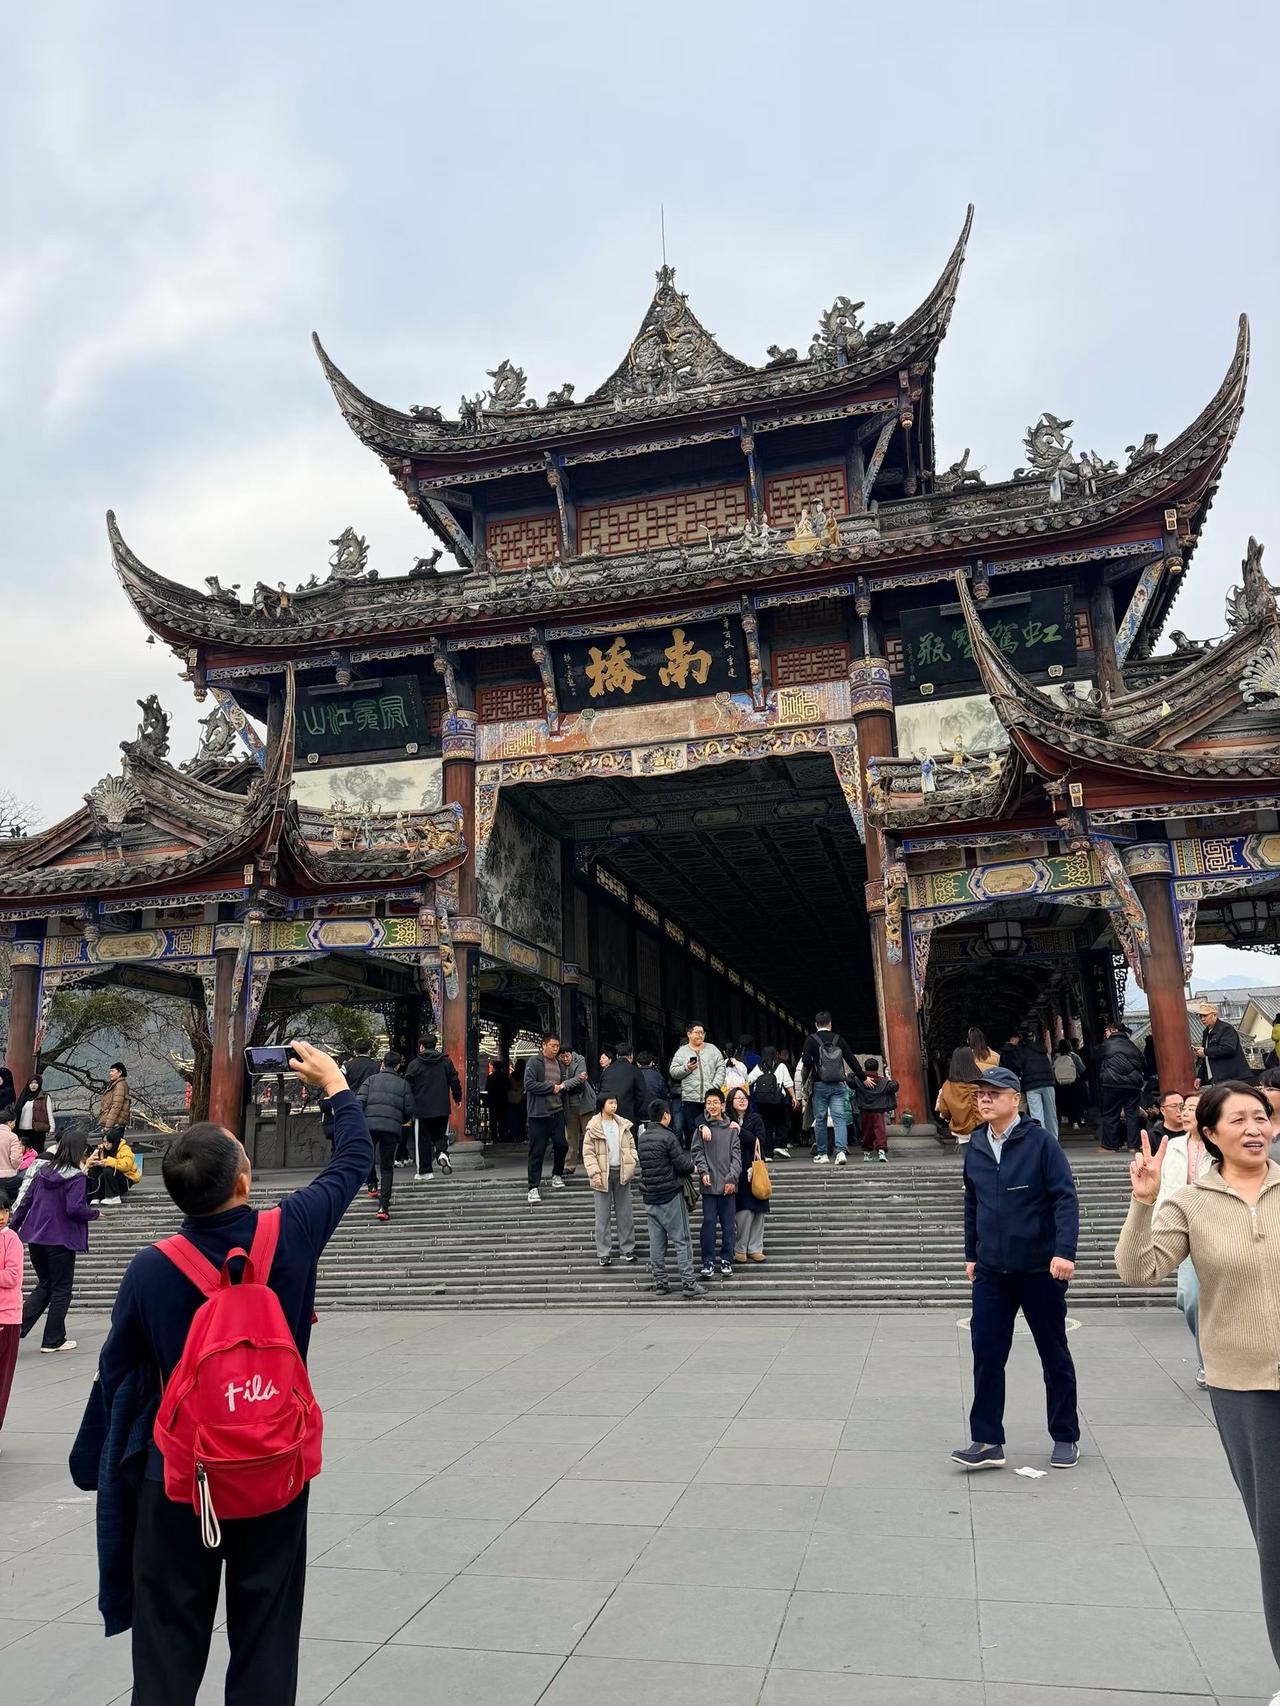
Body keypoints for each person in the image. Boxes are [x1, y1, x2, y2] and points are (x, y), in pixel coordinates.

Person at [86, 1040, 369, 1705]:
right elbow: (353, 1161)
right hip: (273, 1466)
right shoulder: (291, 1230)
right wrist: (334, 1083)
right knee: (267, 1630)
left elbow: (115, 1371)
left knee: (167, 1638)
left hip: (179, 1476)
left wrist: (95, 1458)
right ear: (243, 1182)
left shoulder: (150, 1268)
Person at [1116, 1087, 1280, 1679]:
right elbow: (1139, 1270)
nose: (1254, 1128)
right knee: (1276, 1536)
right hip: (1245, 1386)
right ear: (1209, 1134)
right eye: (1239, 1119)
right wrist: (1143, 1203)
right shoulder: (1190, 1203)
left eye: (1262, 1117)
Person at [952, 1066, 1081, 1472]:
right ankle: (987, 1440)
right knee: (986, 1353)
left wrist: (1064, 1251)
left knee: (1053, 1353)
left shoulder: (1041, 1143)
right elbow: (972, 1203)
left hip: (1039, 1267)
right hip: (991, 1270)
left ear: (1015, 1099)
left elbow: (1065, 1198)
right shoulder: (976, 1144)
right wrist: (971, 1254)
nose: (985, 1099)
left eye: (994, 1093)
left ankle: (1065, 1434)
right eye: (980, 1094)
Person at [11, 1122, 98, 1353]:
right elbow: (75, 1208)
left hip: (36, 1237)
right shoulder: (76, 1178)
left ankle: (15, 1329)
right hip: (60, 1240)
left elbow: (26, 1201)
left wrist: (13, 1228)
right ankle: (53, 1339)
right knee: (61, 1289)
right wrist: (95, 1213)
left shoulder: (43, 1172)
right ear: (79, 1151)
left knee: (45, 1285)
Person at [1149, 1088, 1211, 1388]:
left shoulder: (1220, 1147)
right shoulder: (1172, 1145)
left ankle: (1210, 1363)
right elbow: (1163, 1189)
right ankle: (1209, 1358)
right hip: (1183, 1228)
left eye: (1192, 1107)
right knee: (1188, 1297)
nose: (1185, 1112)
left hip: (1215, 1227)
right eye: (1184, 1107)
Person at [635, 1101, 704, 1298]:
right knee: (682, 1240)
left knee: (656, 1243)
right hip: (670, 1195)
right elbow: (681, 1165)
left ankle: (661, 1282)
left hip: (650, 1197)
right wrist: (694, 1167)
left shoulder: (643, 1137)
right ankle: (689, 1283)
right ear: (666, 1115)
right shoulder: (668, 1136)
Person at [355, 1051, 414, 1222]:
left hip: (369, 1126)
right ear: (398, 1066)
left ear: (382, 1063)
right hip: (391, 1129)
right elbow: (409, 1109)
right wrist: (398, 1120)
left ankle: (372, 1184)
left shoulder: (370, 1080)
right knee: (387, 1168)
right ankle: (383, 1206)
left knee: (368, 1156)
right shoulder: (403, 1084)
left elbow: (359, 1102)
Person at [582, 1093, 637, 1268]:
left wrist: (632, 1161)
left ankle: (628, 1249)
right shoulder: (593, 1126)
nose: (614, 1106)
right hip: (601, 1175)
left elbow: (631, 1146)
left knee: (625, 1213)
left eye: (615, 1103)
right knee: (602, 1216)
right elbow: (588, 1153)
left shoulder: (622, 1124)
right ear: (602, 1104)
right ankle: (604, 1252)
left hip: (621, 1172)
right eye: (610, 1103)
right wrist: (594, 1173)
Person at [692, 1089, 742, 1278]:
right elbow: (697, 1152)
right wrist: (703, 1171)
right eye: (708, 1103)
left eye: (715, 1102)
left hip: (728, 1186)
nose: (712, 1106)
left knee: (729, 1225)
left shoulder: (731, 1130)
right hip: (709, 1185)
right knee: (709, 1223)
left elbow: (737, 1158)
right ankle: (708, 1260)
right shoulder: (701, 1130)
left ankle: (727, 1259)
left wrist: (732, 1178)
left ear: (722, 1105)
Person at [799, 1011, 858, 1165]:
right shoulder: (838, 1039)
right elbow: (851, 1059)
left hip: (819, 1085)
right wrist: (863, 1077)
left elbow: (806, 1061)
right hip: (838, 1084)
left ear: (816, 1024)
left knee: (820, 1120)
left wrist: (806, 1080)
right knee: (839, 1119)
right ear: (830, 1024)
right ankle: (840, 1152)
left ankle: (823, 1153)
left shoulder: (811, 1039)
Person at [404, 1034, 461, 1181]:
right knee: (440, 1135)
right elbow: (455, 1081)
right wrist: (457, 1097)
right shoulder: (446, 1062)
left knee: (423, 1140)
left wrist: (408, 1105)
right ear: (435, 1045)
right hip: (442, 1107)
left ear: (421, 1046)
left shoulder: (414, 1064)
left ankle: (425, 1171)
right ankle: (442, 1153)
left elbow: (407, 1087)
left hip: (421, 1109)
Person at [524, 1033, 567, 1204]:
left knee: (562, 1144)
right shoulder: (534, 1062)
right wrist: (550, 1088)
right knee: (537, 1150)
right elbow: (529, 1084)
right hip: (539, 1113)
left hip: (557, 1111)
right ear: (543, 1045)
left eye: (557, 1046)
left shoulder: (559, 1064)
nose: (555, 1049)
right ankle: (533, 1187)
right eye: (552, 1046)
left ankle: (557, 1174)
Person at [668, 1023, 727, 1146]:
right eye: (697, 1032)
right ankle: (697, 1153)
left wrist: (715, 1086)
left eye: (702, 1033)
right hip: (690, 1097)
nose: (700, 1035)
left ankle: (713, 1151)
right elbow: (673, 1072)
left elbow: (721, 1067)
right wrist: (687, 1068)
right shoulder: (681, 1052)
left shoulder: (712, 1049)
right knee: (693, 1129)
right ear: (689, 1034)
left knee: (712, 1125)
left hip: (710, 1097)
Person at [729, 1086, 768, 1263]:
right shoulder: (727, 1119)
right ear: (731, 1102)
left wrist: (740, 1130)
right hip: (737, 1169)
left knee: (758, 1211)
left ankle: (755, 1248)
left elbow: (759, 1140)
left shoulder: (755, 1118)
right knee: (743, 1211)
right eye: (738, 1098)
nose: (742, 1100)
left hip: (755, 1168)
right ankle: (741, 1247)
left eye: (744, 1097)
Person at [1096, 1021, 1146, 1152]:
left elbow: (1094, 1057)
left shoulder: (1106, 1045)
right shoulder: (1133, 1046)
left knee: (1111, 1114)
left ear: (1112, 1030)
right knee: (1132, 1115)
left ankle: (1109, 1146)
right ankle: (1133, 1146)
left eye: (1106, 1031)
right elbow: (1144, 1064)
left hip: (1112, 1083)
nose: (1105, 1033)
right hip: (1133, 1085)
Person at [0, 1195, 23, 1447]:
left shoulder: (11, 1239)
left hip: (6, 1317)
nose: (1, 1216)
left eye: (5, 1211)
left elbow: (12, 1276)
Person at [1007, 1033, 1058, 1139]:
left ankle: (1041, 1140)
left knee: (1037, 1114)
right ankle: (1053, 1139)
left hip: (1031, 1085)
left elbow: (1017, 1064)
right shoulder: (1042, 1049)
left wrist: (1013, 1047)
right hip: (1048, 1083)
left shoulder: (1022, 1050)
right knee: (1051, 1113)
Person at [748, 1045, 794, 1159]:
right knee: (781, 1123)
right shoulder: (781, 1066)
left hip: (762, 1102)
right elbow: (788, 1083)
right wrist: (793, 1097)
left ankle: (767, 1153)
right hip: (777, 1100)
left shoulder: (759, 1066)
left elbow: (748, 1080)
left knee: (766, 1126)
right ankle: (779, 1145)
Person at [1195, 1001, 1253, 1084]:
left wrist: (1205, 1051)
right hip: (1217, 1078)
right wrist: (1200, 1077)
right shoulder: (1206, 1032)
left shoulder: (1226, 1029)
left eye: (1205, 1015)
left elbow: (1229, 1049)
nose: (1202, 1019)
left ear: (1214, 1015)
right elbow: (1206, 1058)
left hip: (1233, 1078)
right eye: (1200, 1016)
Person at [936, 1045, 982, 1145]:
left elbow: (944, 1111)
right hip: (985, 1130)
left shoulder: (947, 1086)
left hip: (962, 1133)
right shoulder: (983, 1082)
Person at [557, 1045, 593, 1175]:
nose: (565, 1059)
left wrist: (563, 1085)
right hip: (568, 1104)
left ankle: (591, 1163)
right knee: (570, 1136)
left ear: (571, 1054)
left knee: (589, 1134)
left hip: (585, 1102)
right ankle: (569, 1165)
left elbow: (581, 1078)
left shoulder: (580, 1059)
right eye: (562, 1057)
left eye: (567, 1056)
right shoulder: (557, 1064)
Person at [855, 1056, 899, 1160]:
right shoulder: (883, 1081)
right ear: (877, 1068)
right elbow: (894, 1086)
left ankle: (867, 1153)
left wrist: (860, 1075)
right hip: (878, 1110)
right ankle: (881, 1151)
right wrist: (888, 1077)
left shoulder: (859, 1080)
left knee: (866, 1130)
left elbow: (849, 1079)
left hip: (864, 1109)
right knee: (879, 1130)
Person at [85, 1128, 141, 1205]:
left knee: (108, 1170)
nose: (106, 1144)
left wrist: (107, 1162)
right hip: (106, 1180)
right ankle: (96, 1196)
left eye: (109, 1142)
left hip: (124, 1179)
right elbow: (89, 1162)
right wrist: (92, 1162)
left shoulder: (124, 1149)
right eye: (104, 1142)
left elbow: (126, 1166)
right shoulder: (101, 1149)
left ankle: (113, 1197)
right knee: (93, 1169)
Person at [598, 1043, 647, 1128]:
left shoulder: (607, 1071)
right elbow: (641, 1095)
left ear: (617, 1056)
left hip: (608, 1114)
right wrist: (633, 1109)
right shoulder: (635, 1071)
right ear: (631, 1056)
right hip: (628, 1115)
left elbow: (601, 1092)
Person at [1052, 1038, 1088, 1130]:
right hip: (1073, 1083)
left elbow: (1052, 1070)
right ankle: (1075, 1121)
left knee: (1061, 1101)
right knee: (1075, 1101)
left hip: (1059, 1083)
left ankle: (1063, 1118)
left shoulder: (1055, 1057)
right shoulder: (1074, 1056)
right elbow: (1082, 1069)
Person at [14, 1074, 55, 1149]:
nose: (33, 1085)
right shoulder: (23, 1097)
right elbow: (16, 1112)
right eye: (31, 1083)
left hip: (37, 1130)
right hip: (22, 1130)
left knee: (37, 1150)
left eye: (36, 1083)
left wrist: (52, 1127)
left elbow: (49, 1113)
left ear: (39, 1084)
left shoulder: (44, 1097)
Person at [97, 1061, 131, 1141]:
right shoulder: (116, 1084)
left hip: (115, 1125)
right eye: (109, 1071)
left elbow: (116, 1107)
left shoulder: (119, 1085)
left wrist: (108, 1126)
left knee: (112, 1146)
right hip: (115, 1124)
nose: (110, 1073)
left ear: (120, 1072)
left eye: (112, 1071)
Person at [0, 1110, 26, 1208]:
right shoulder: (12, 1136)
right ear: (9, 1122)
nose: (14, 1125)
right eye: (14, 1122)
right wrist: (15, 1167)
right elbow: (16, 1159)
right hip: (9, 1178)